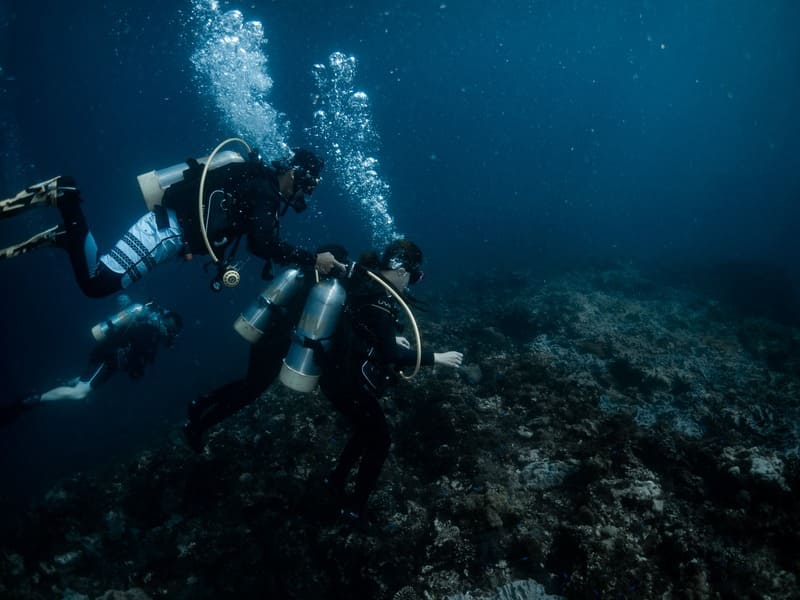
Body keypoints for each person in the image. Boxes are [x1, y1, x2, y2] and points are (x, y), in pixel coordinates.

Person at [0, 146, 345, 295]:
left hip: (167, 232)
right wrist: (313, 258)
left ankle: (67, 235)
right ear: (296, 174)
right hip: (166, 233)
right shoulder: (264, 192)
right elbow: (262, 244)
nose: (304, 196)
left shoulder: (254, 180)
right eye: (307, 186)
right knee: (96, 284)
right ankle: (66, 197)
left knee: (98, 279)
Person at [318, 239, 463, 523]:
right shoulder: (379, 298)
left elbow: (361, 327)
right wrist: (438, 357)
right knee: (381, 440)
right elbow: (392, 355)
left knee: (364, 431)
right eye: (412, 276)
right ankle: (355, 507)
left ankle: (335, 482)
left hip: (334, 377)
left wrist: (385, 336)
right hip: (349, 384)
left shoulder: (365, 287)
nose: (409, 285)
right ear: (400, 270)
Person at [182, 243, 350, 453]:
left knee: (249, 384)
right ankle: (198, 426)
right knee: (250, 391)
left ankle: (200, 405)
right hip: (275, 343)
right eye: (339, 262)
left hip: (269, 337)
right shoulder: (318, 287)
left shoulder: (303, 273)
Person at [0, 296, 183, 426]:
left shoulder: (151, 332)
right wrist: (137, 366)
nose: (171, 337)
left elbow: (135, 354)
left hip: (108, 359)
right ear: (169, 324)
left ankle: (37, 398)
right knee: (80, 393)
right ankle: (31, 401)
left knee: (79, 385)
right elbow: (134, 354)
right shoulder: (151, 332)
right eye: (173, 331)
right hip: (107, 358)